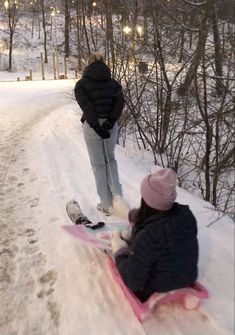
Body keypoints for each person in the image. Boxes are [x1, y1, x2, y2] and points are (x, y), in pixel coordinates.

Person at [111, 168, 199, 302]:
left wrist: (119, 251)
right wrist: (129, 214)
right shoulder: (186, 217)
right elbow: (153, 214)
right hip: (187, 278)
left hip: (157, 287)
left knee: (128, 254)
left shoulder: (147, 237)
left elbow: (133, 280)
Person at [74, 52, 125, 216]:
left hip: (92, 126)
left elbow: (87, 106)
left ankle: (106, 203)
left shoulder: (81, 84)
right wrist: (109, 122)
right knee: (110, 160)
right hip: (111, 125)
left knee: (98, 164)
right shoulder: (114, 84)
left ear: (88, 64)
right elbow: (119, 104)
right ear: (104, 63)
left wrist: (96, 126)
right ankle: (118, 199)